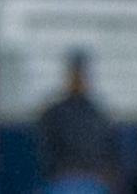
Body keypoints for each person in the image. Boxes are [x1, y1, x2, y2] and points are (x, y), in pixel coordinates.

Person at [35, 51, 117, 194]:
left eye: (81, 74)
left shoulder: (97, 115)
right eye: (75, 73)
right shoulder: (53, 114)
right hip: (62, 180)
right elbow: (45, 156)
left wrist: (98, 175)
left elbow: (109, 157)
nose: (78, 79)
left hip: (93, 180)